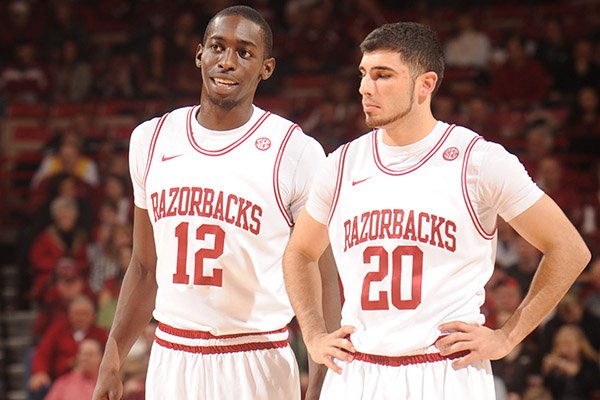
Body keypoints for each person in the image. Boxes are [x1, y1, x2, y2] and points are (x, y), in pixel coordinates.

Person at [282, 22, 591, 399]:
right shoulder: (341, 164)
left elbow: (569, 248)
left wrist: (508, 337)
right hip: (358, 372)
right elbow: (300, 252)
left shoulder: (478, 161)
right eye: (363, 74)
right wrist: (313, 334)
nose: (365, 87)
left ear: (425, 84)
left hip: (445, 372)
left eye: (383, 76)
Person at [94, 6, 334, 400]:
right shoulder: (150, 140)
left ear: (266, 68)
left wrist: (322, 375)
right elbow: (143, 265)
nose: (227, 61)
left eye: (244, 52)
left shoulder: (296, 150)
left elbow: (323, 272)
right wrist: (112, 358)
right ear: (198, 54)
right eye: (218, 47)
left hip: (256, 355)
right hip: (172, 356)